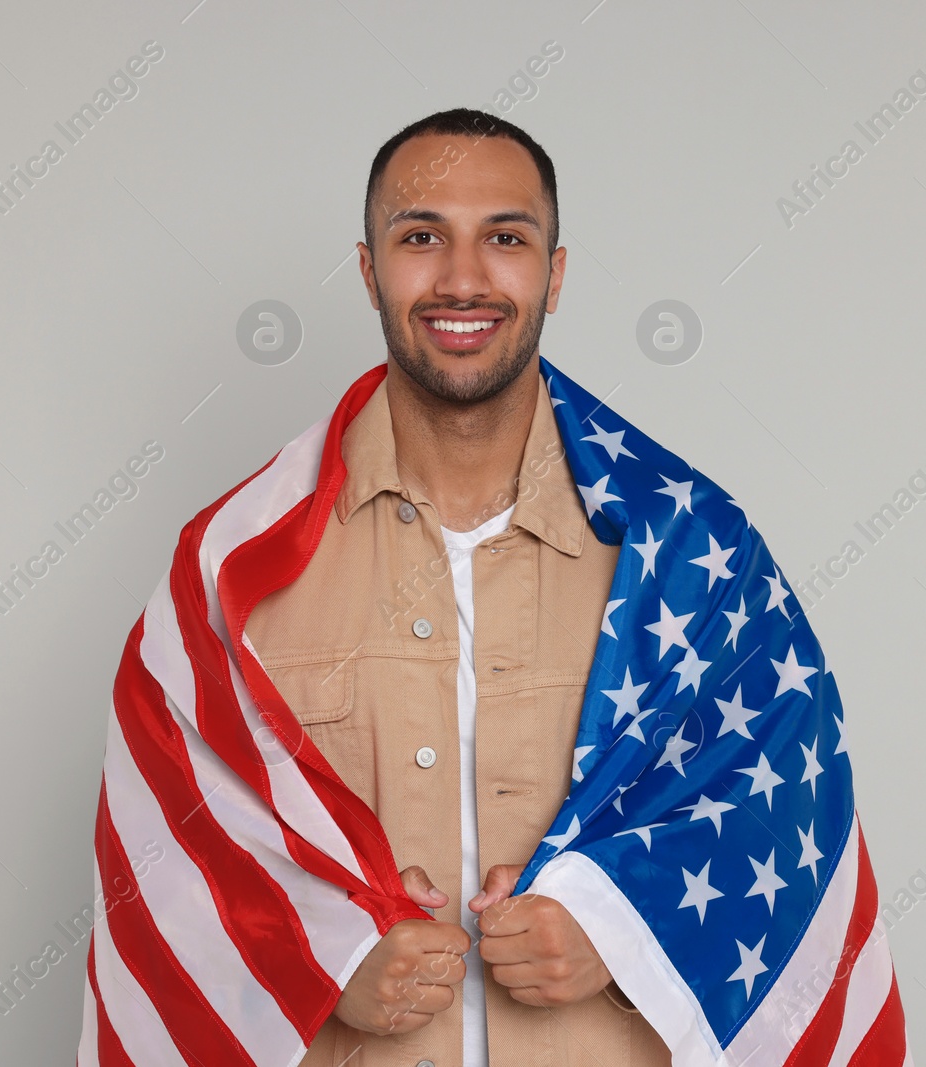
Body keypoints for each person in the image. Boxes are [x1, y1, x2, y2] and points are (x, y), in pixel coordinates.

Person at [242, 109, 671, 1065]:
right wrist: (322, 956)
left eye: (506, 239)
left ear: (555, 275)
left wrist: (624, 928)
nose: (463, 278)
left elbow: (766, 813)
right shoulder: (242, 567)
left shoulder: (678, 553)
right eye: (421, 236)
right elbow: (177, 859)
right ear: (368, 271)